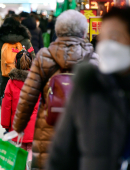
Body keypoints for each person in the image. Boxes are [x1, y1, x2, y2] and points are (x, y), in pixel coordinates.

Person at [13, 10, 99, 170]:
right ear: (83, 31)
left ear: (57, 31)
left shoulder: (44, 56)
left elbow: (27, 96)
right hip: (83, 133)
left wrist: (19, 126)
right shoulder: (93, 58)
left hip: (48, 132)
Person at [46, 7, 130, 170]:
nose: (107, 46)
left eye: (114, 37)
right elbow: (61, 155)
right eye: (102, 39)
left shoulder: (46, 54)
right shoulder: (88, 88)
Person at [1, 47, 39, 166]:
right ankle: (31, 162)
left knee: (20, 152)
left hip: (18, 126)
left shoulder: (11, 83)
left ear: (16, 63)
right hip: (34, 125)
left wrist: (5, 125)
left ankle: (23, 164)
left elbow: (6, 106)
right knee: (32, 149)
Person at [0, 17, 35, 105]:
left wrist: (0, 69)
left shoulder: (0, 40)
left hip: (5, 75)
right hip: (23, 76)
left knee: (5, 102)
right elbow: (32, 58)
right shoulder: (25, 40)